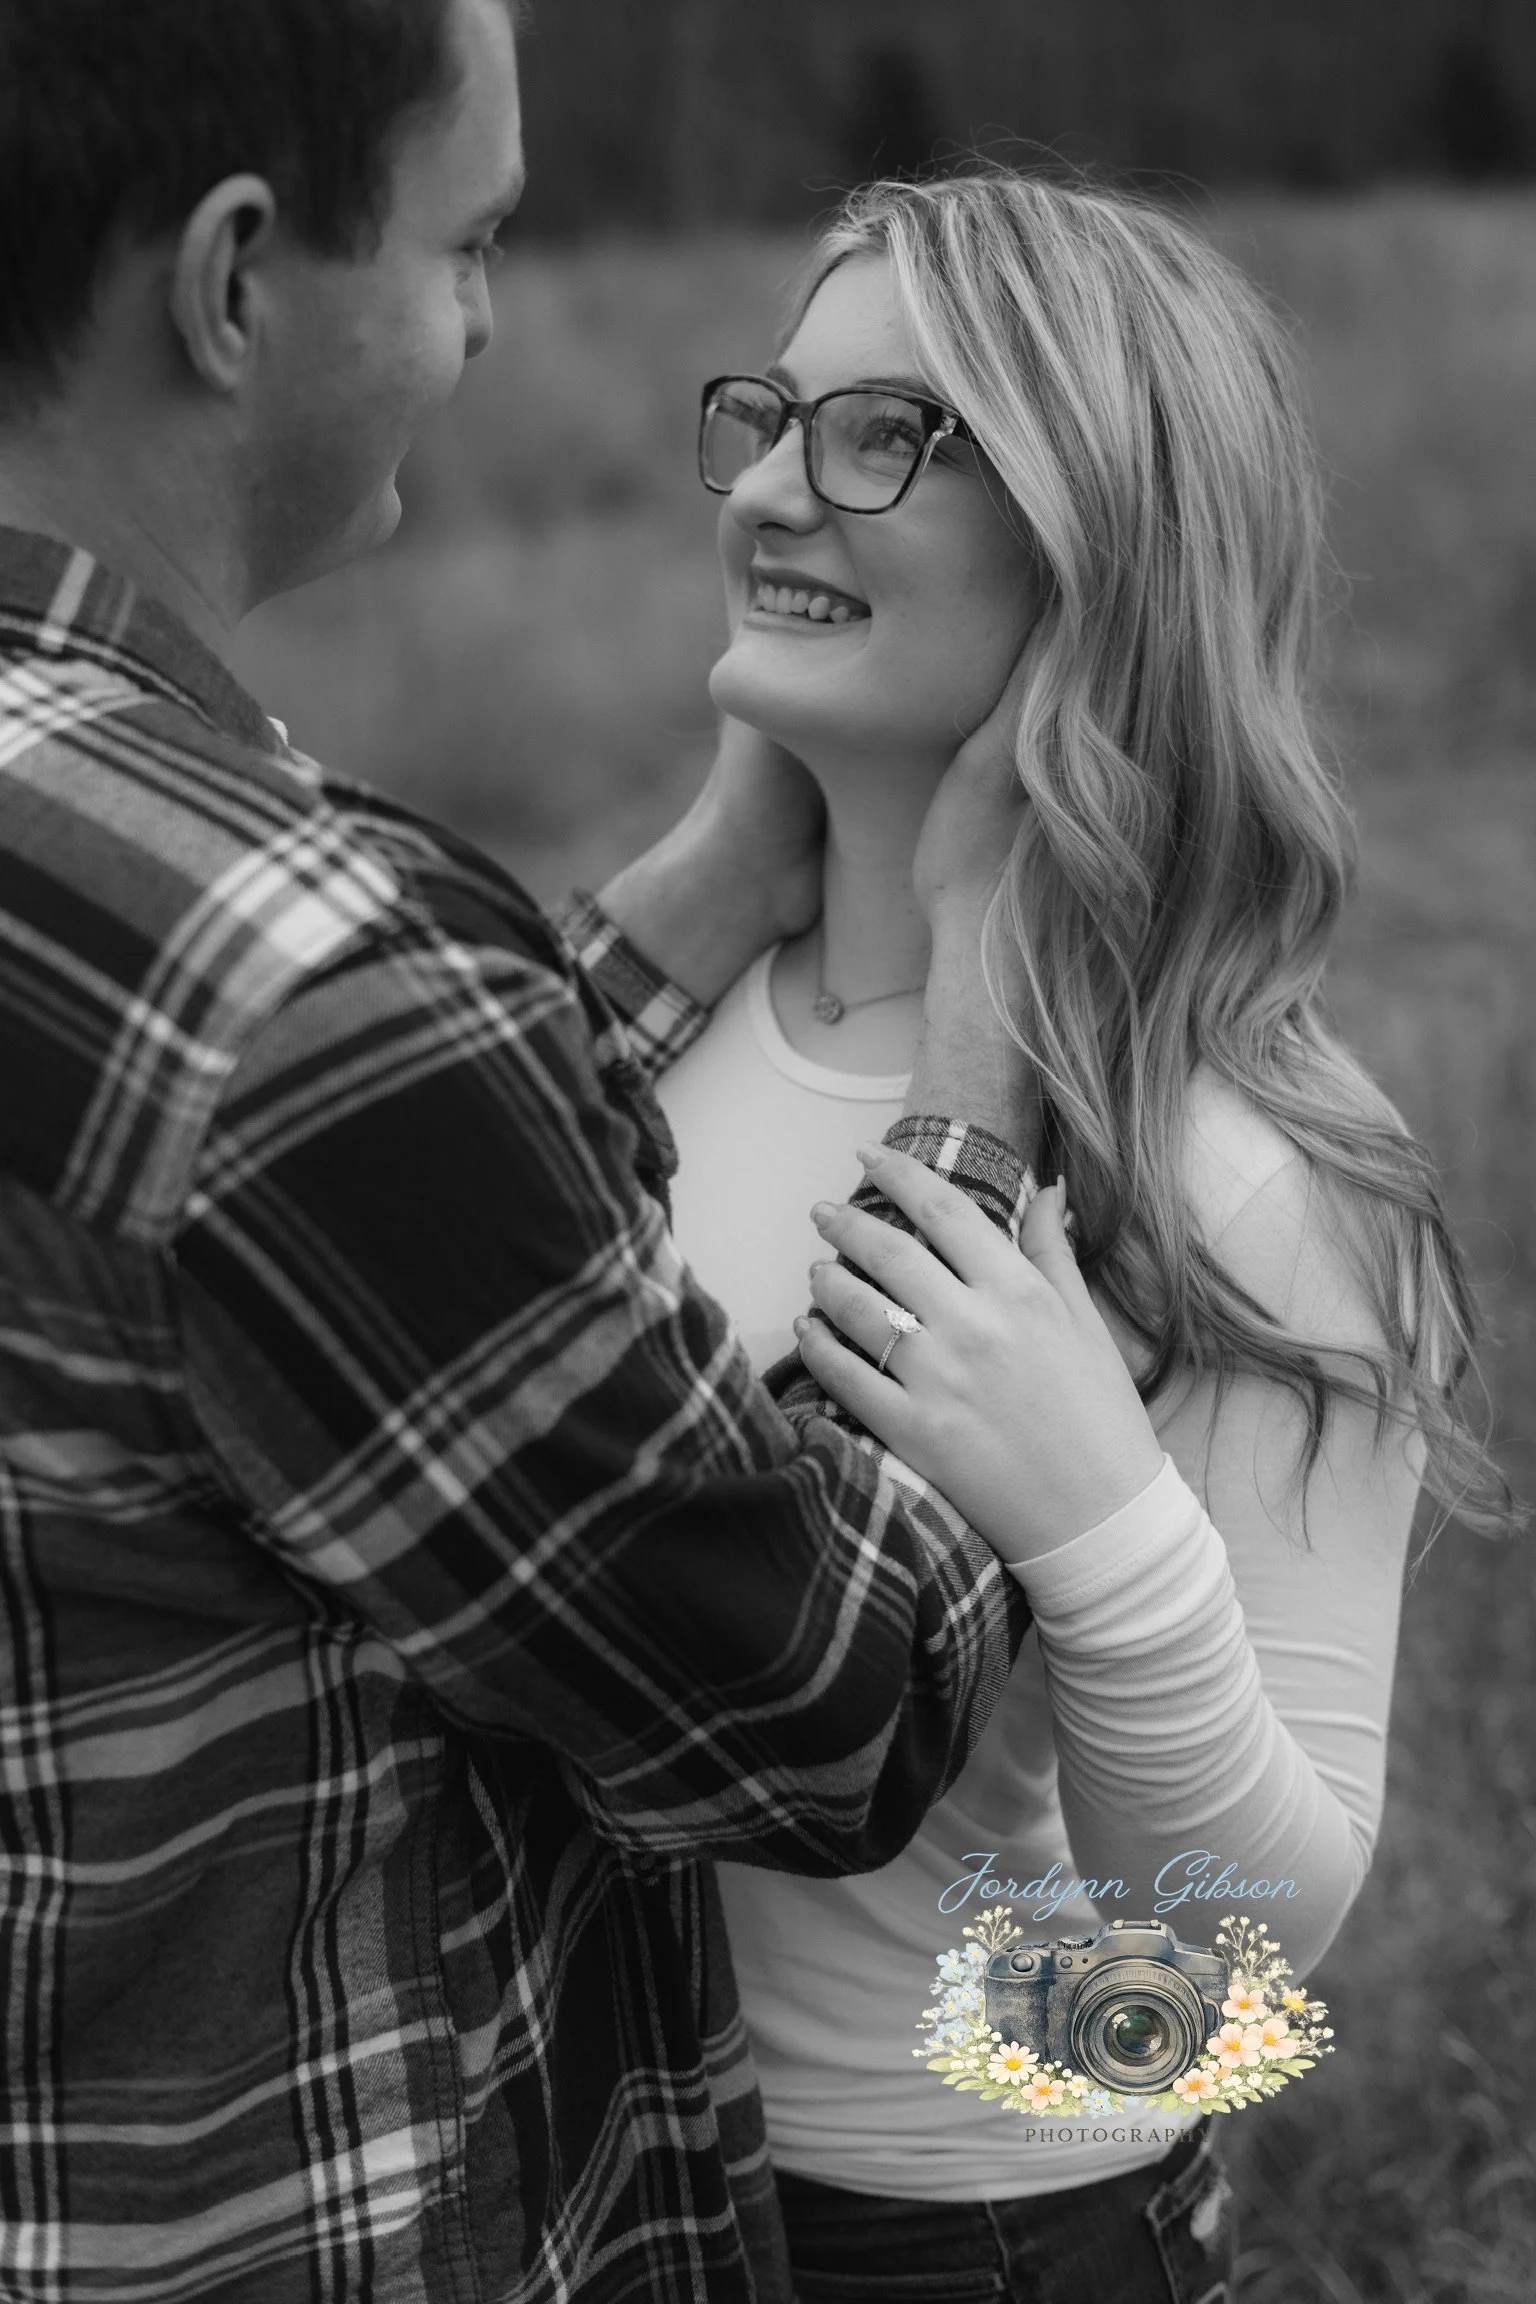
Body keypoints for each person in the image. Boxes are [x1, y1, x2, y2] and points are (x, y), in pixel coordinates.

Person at [0, 12, 1128, 2302]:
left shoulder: (1239, 1161)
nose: (489, 321)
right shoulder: (313, 992)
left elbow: (327, 1244)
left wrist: (677, 915)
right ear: (237, 285)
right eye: (467, 242)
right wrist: (983, 1098)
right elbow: (833, 1699)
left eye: (897, 437)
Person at [654, 169, 1509, 2303]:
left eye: (884, 438)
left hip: (952, 2240)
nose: (771, 487)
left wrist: (1106, 1532)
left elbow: (1232, 1968)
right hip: (571, 2158)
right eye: (771, 411)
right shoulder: (643, 1037)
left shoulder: (1232, 1172)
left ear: (1094, 544)